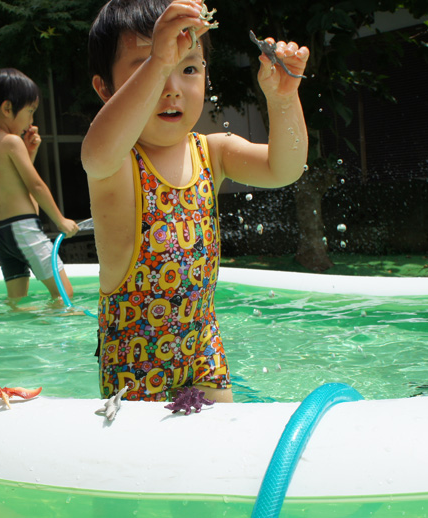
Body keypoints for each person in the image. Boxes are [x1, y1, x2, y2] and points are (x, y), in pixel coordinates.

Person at [82, 0, 309, 402]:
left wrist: (283, 99)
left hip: (203, 351)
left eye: (188, 68)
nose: (171, 87)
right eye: (148, 66)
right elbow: (96, 154)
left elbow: (284, 168)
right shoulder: (116, 163)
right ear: (106, 89)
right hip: (134, 369)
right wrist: (159, 61)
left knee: (223, 437)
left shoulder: (213, 152)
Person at [0, 68, 79, 306]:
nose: (31, 121)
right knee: (64, 294)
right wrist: (60, 220)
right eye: (30, 111)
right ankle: (52, 326)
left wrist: (30, 153)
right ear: (7, 108)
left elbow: (15, 185)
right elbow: (36, 186)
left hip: (3, 233)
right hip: (24, 230)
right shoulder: (11, 142)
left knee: (17, 302)